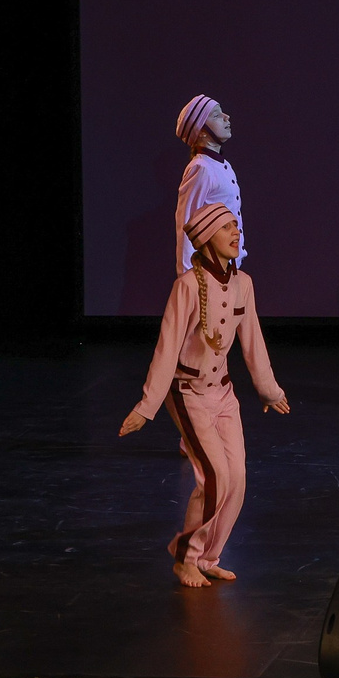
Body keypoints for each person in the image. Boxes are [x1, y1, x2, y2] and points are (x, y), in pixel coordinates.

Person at [120, 203, 289, 587]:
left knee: (237, 479)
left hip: (223, 394)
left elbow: (253, 342)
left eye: (236, 226)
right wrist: (146, 407)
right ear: (207, 236)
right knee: (215, 477)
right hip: (188, 393)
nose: (236, 233)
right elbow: (166, 350)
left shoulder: (244, 283)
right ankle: (186, 558)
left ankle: (209, 557)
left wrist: (268, 390)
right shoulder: (186, 287)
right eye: (227, 227)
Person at [175, 94, 244, 276]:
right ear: (202, 132)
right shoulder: (201, 167)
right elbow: (186, 222)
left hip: (228, 264)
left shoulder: (223, 165)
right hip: (210, 268)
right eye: (216, 115)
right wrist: (188, 276)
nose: (226, 117)